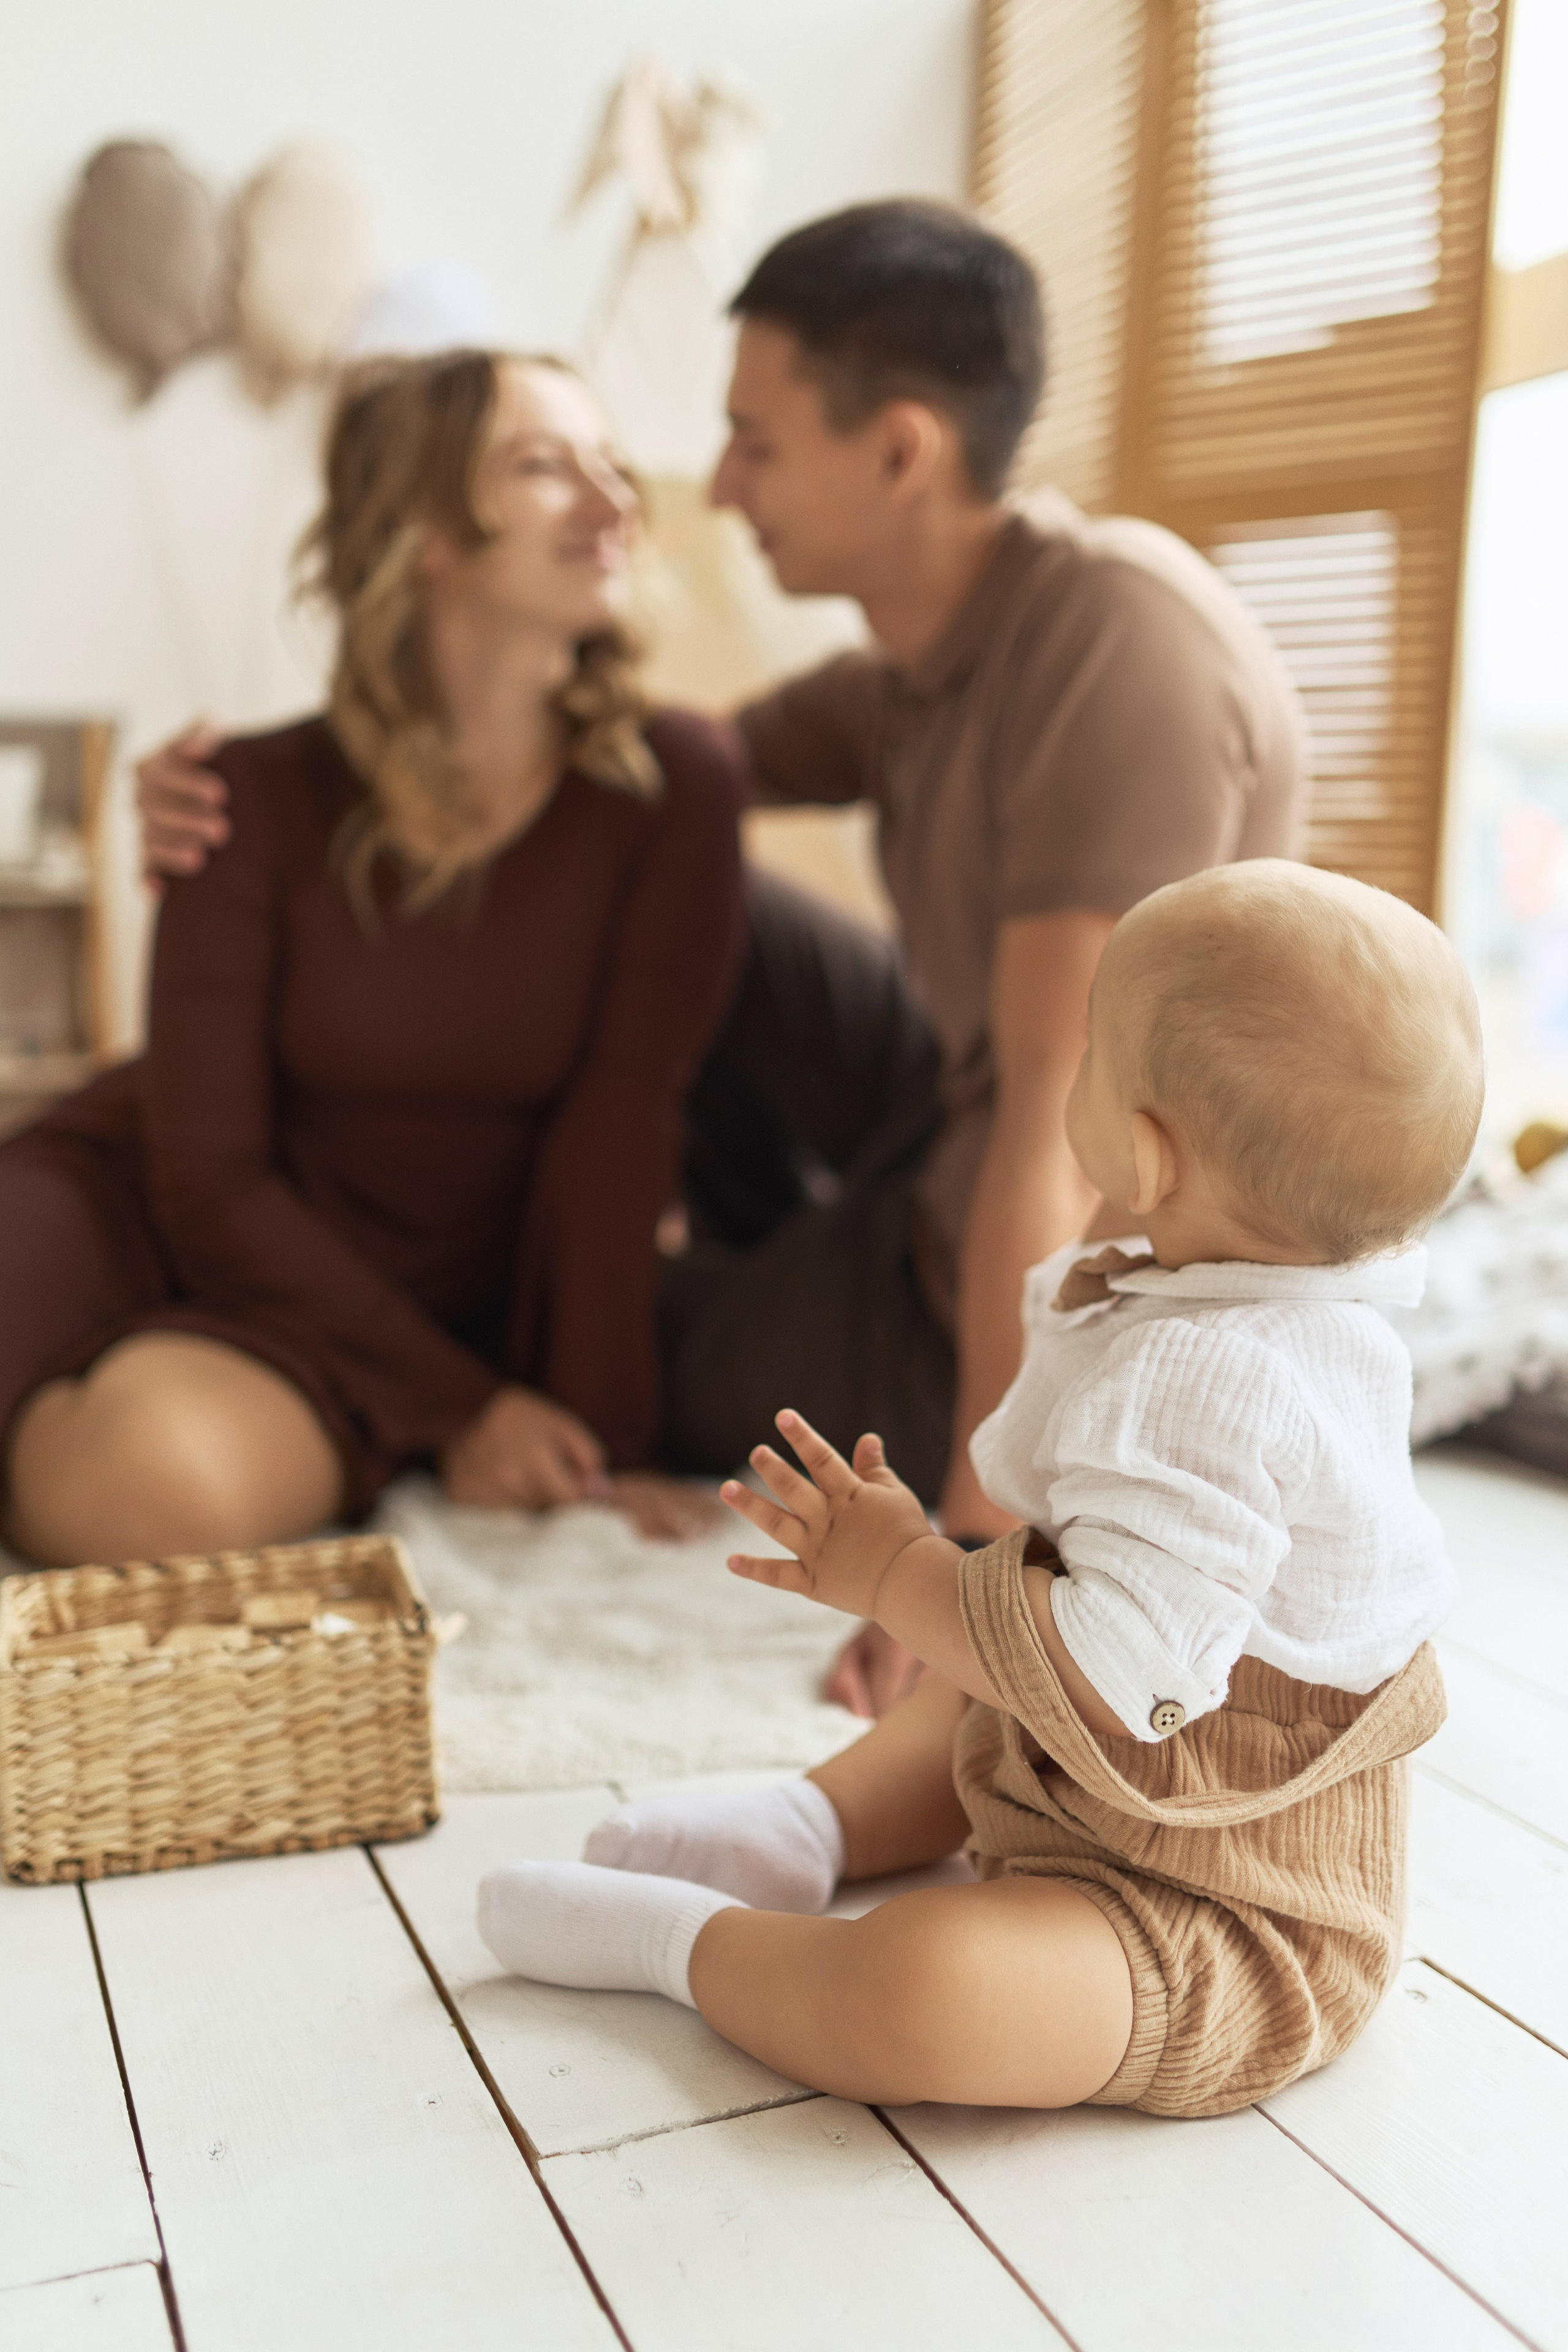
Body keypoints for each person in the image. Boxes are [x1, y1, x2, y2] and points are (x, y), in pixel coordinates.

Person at [137, 201, 1308, 1712]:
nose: (711, 485)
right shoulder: (922, 658)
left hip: (1101, 1275)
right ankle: (724, 1275)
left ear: (896, 452)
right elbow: (619, 786)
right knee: (675, 845)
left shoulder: (1108, 651)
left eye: (750, 441)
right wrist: (207, 795)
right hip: (932, 1170)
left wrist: (973, 1564)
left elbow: (1058, 1139)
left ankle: (745, 1327)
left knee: (629, 1358)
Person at [475, 861, 1482, 2119]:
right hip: (1098, 1776)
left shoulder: (1222, 1383)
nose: (1066, 1067)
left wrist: (901, 1575)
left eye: (1090, 1049)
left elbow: (1121, 1682)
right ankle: (809, 1824)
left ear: (1144, 1150)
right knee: (968, 1688)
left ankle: (681, 1948)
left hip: (1219, 1907)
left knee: (931, 1991)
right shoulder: (1217, 1285)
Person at [0, 350, 744, 1567]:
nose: (615, 502)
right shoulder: (238, 793)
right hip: (152, 1208)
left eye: (608, 463)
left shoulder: (676, 789)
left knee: (141, 1497)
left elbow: (623, 1126)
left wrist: (591, 1435)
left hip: (374, 1305)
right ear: (426, 534)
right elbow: (206, 1179)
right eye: (547, 467)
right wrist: (464, 1413)